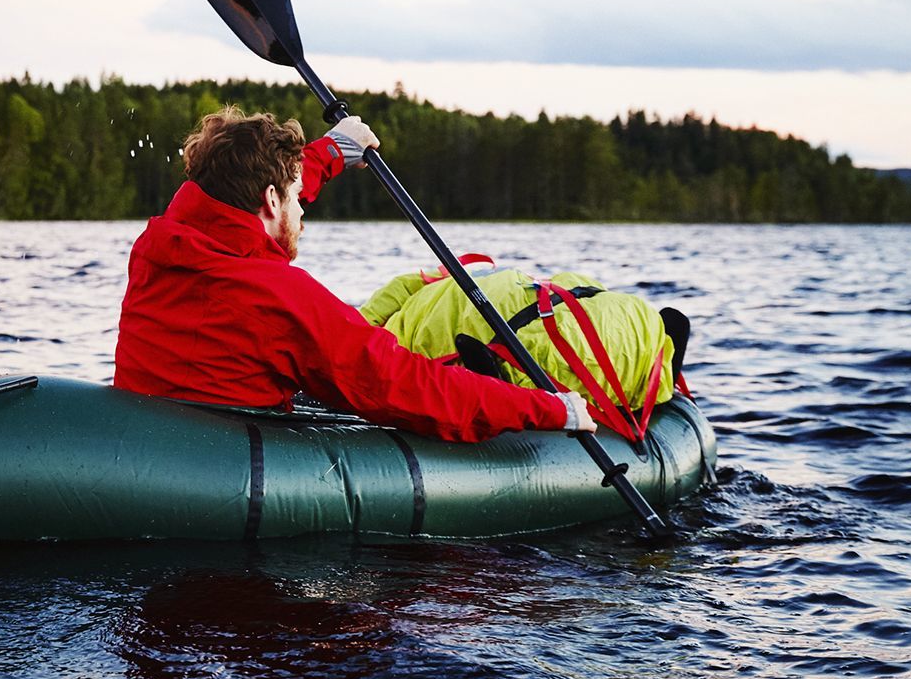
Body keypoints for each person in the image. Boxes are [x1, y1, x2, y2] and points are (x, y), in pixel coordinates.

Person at [114, 107, 593, 442]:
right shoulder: (279, 295)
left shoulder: (160, 245)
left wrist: (334, 152)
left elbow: (241, 190)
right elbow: (401, 385)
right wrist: (551, 409)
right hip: (227, 458)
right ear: (272, 200)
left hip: (159, 436)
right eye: (297, 200)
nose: (303, 213)